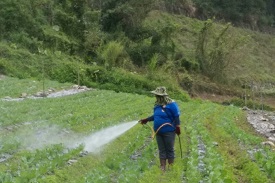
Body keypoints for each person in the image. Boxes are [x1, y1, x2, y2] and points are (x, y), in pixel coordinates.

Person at [139, 86, 181, 171]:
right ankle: (162, 167)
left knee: (169, 149)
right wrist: (146, 119)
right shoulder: (157, 105)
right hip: (158, 131)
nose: (156, 97)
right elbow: (156, 116)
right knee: (161, 150)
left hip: (169, 131)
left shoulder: (171, 104)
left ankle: (171, 167)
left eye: (157, 95)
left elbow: (176, 116)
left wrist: (177, 126)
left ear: (162, 96)